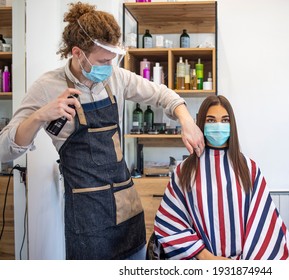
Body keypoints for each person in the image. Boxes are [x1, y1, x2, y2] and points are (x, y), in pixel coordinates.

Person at [0, 2, 204, 260]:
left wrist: (186, 120)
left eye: (112, 60)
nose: (109, 67)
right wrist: (41, 115)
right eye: (103, 61)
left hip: (127, 209)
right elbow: (5, 149)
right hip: (87, 219)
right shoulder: (46, 87)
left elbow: (163, 94)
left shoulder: (115, 78)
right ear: (77, 53)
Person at [154, 95, 289, 260]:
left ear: (232, 125)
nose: (218, 126)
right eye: (210, 120)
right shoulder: (185, 171)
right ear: (200, 123)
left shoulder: (249, 169)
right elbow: (170, 223)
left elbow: (264, 224)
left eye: (224, 120)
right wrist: (208, 258)